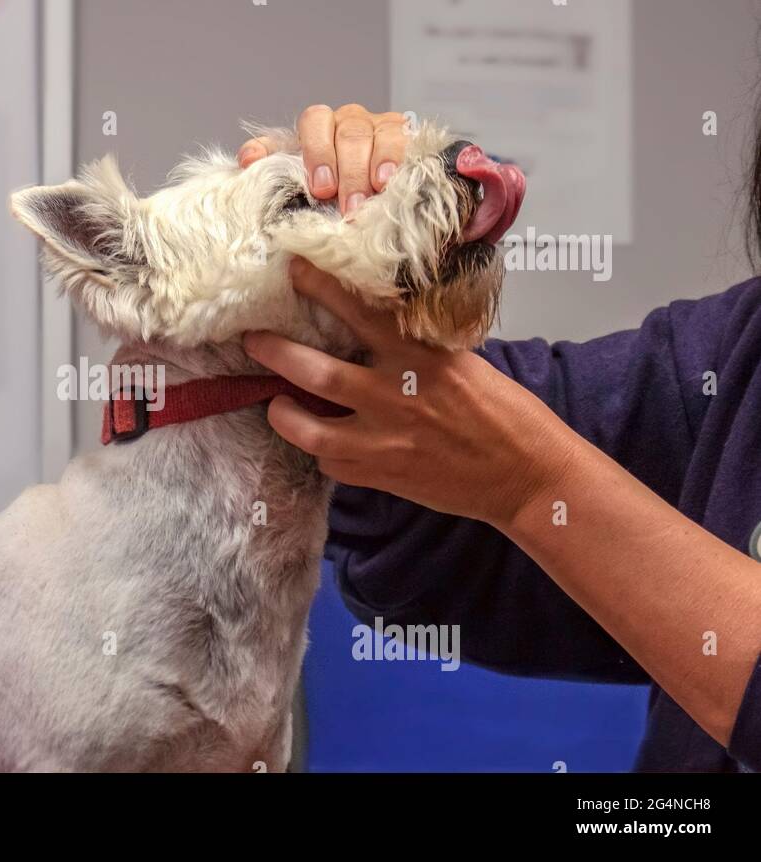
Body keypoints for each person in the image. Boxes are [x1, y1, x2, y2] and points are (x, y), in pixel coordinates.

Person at [239, 104, 761, 772]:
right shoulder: (733, 358)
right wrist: (337, 301)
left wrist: (531, 485)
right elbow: (435, 473)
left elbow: (510, 448)